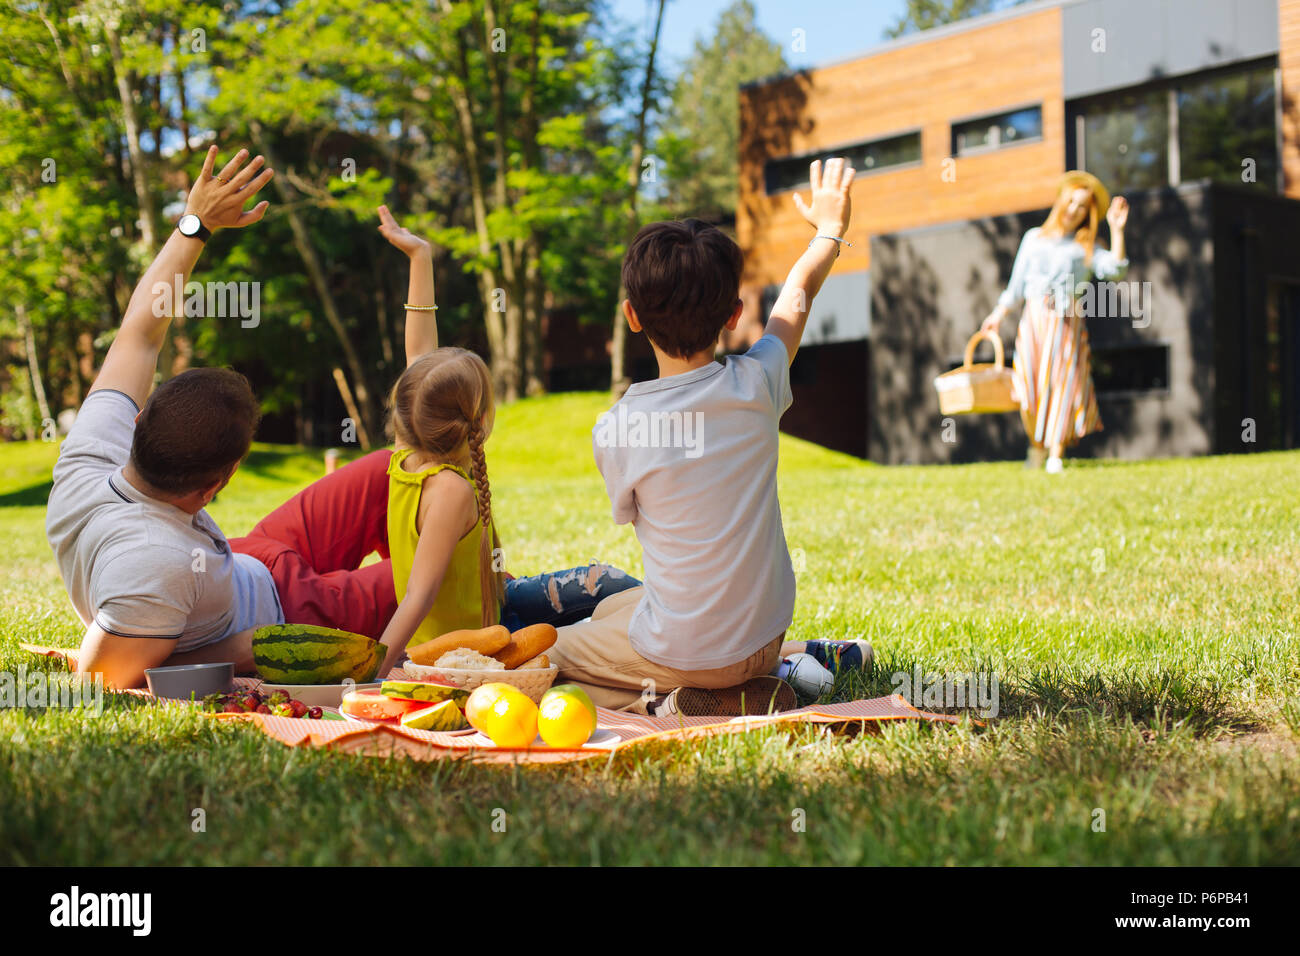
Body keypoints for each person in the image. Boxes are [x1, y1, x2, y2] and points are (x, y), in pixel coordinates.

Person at [547, 158, 871, 717]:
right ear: (733, 314)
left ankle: (669, 706)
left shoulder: (618, 427)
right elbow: (796, 300)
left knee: (543, 660)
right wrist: (829, 231)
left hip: (685, 651)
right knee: (611, 609)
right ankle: (780, 667)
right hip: (762, 637)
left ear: (631, 316)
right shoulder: (758, 382)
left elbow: (628, 515)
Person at [367, 207, 638, 674]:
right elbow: (418, 598)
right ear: (479, 420)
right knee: (625, 606)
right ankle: (784, 653)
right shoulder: (450, 490)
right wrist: (372, 673)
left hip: (499, 604)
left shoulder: (408, 453)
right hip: (481, 647)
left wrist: (420, 258)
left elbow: (419, 356)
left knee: (604, 583)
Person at [980, 170, 1130, 473]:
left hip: (1066, 322)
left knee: (1062, 384)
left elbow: (1115, 270)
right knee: (1027, 387)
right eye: (1072, 202)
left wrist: (1117, 230)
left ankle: (1055, 456)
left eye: (1083, 206)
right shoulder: (1033, 238)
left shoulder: (1087, 247)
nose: (1075, 210)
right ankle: (1036, 446)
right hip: (1034, 320)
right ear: (1061, 201)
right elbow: (1017, 284)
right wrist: (997, 315)